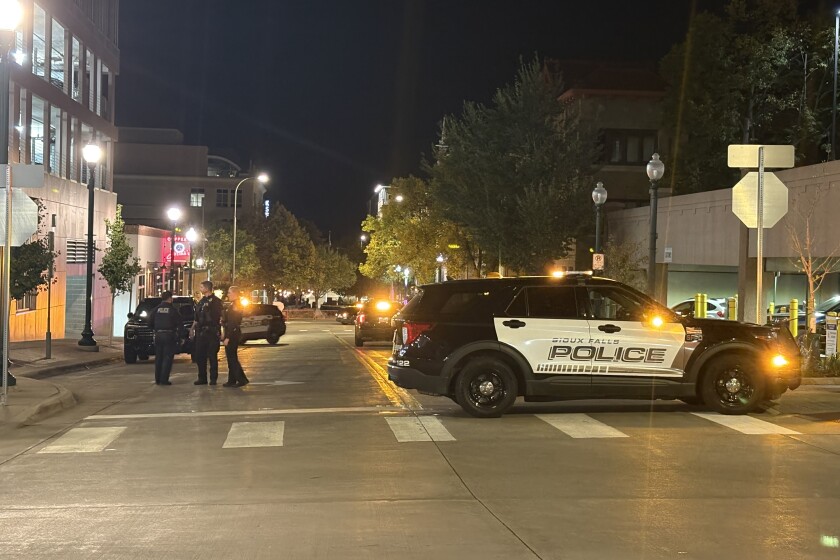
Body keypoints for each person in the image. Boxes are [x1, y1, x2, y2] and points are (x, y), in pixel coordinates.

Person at [191, 280, 223, 385]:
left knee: (212, 356)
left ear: (207, 288)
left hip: (212, 332)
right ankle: (202, 378)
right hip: (201, 332)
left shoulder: (216, 302)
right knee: (200, 356)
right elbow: (196, 318)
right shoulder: (201, 301)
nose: (200, 289)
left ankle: (213, 379)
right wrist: (192, 329)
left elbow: (220, 317)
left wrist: (220, 331)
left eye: (201, 287)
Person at [148, 291, 181, 385]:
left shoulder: (155, 310)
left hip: (158, 336)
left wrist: (156, 330)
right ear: (170, 298)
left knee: (158, 357)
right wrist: (181, 336)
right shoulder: (173, 310)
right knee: (167, 358)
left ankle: (157, 379)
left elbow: (149, 322)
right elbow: (179, 323)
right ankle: (164, 380)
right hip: (169, 335)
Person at [222, 286, 249, 387]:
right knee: (230, 357)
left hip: (232, 333)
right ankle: (232, 379)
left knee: (232, 358)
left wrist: (228, 337)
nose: (227, 295)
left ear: (235, 294)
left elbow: (233, 322)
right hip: (231, 332)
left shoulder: (235, 305)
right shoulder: (234, 304)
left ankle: (241, 379)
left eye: (229, 293)